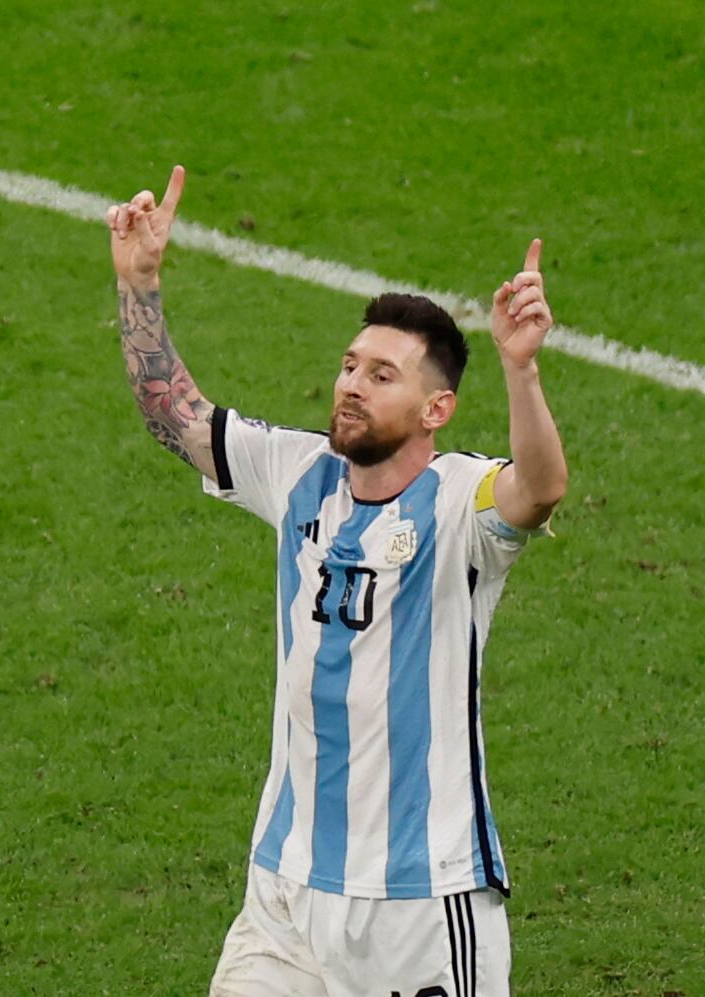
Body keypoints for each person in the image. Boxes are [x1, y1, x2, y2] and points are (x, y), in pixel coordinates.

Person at [107, 166, 567, 996]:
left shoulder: (463, 500)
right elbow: (170, 413)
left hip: (418, 902)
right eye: (351, 364)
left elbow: (538, 491)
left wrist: (521, 371)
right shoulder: (300, 471)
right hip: (284, 889)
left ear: (436, 411)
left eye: (381, 375)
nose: (351, 383)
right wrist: (139, 283)